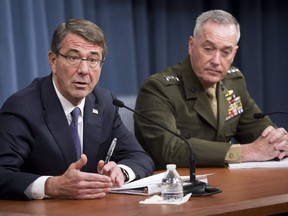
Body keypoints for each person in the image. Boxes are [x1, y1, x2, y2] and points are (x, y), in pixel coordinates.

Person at [0, 18, 154, 200]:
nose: (84, 70)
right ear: (53, 61)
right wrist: (51, 185)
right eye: (73, 57)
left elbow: (139, 156)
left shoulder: (104, 102)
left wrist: (121, 171)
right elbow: (3, 173)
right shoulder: (23, 107)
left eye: (93, 59)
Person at [134, 9, 288, 170]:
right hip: (176, 186)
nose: (216, 61)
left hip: (225, 181)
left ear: (234, 53)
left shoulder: (233, 81)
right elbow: (169, 149)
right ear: (192, 46)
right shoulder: (158, 88)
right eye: (208, 49)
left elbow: (256, 128)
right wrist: (245, 152)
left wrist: (278, 142)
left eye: (225, 52)